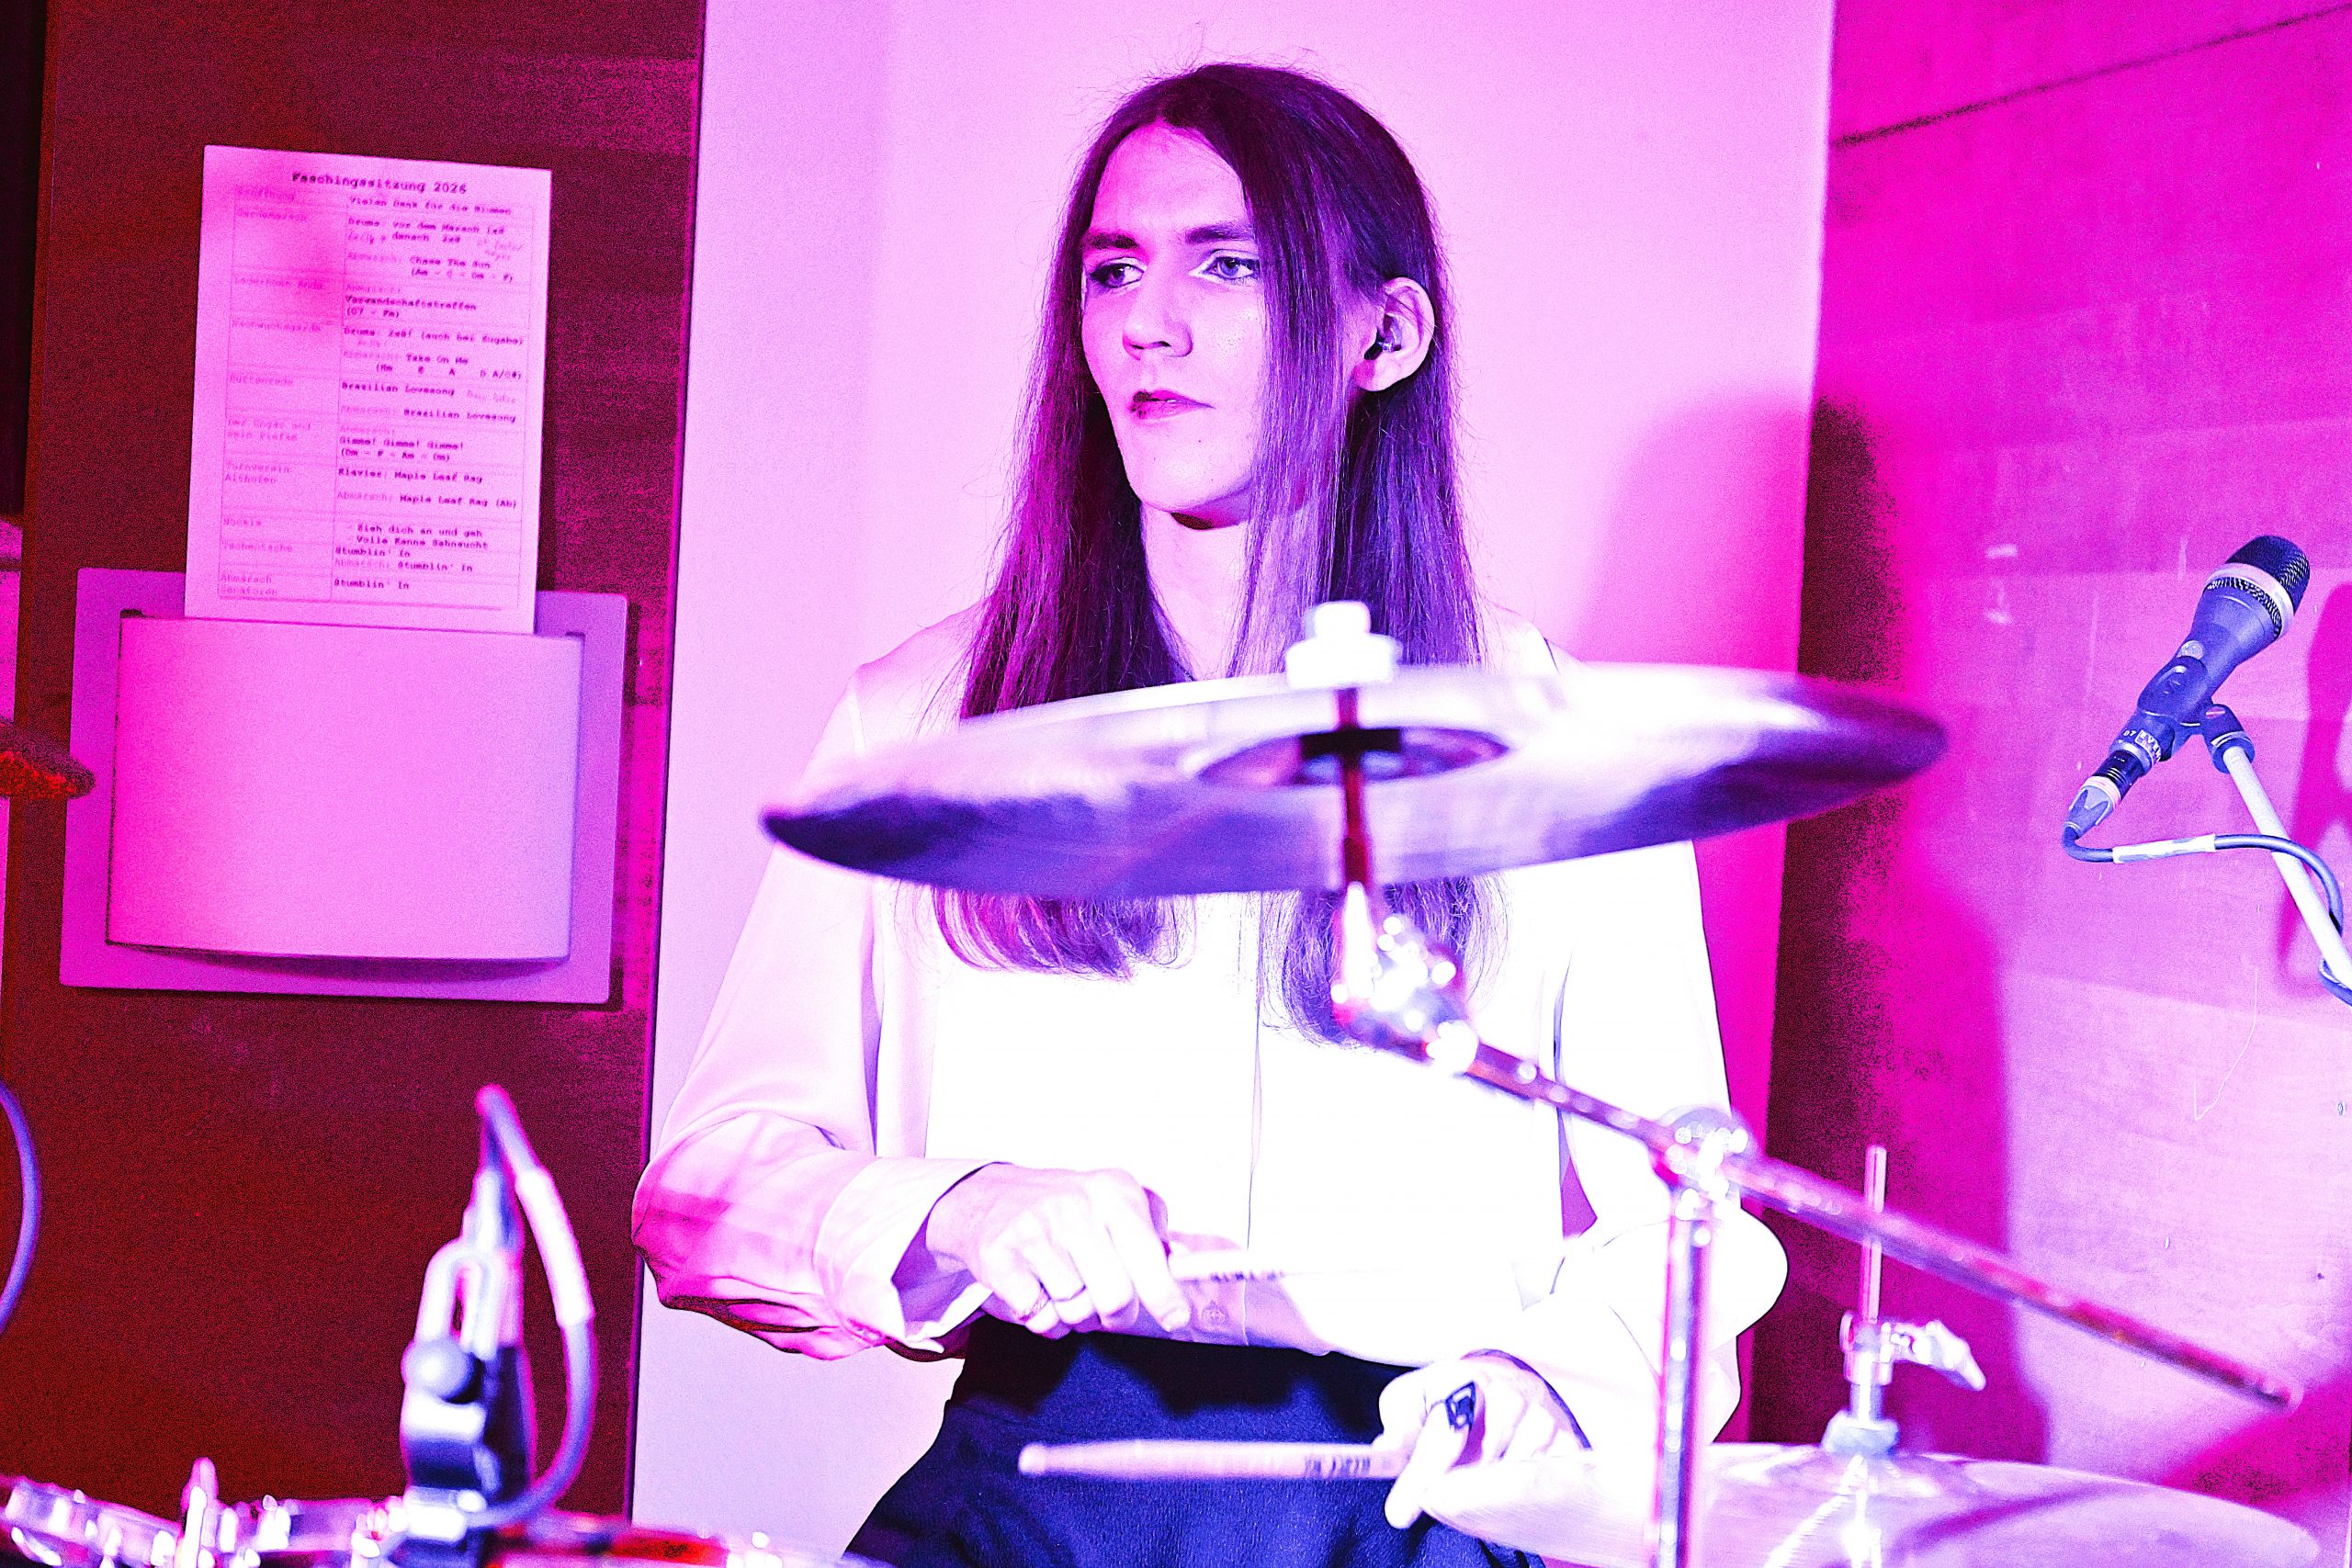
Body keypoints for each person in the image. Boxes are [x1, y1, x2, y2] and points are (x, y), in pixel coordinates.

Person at [635, 62, 1785, 1568]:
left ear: (1386, 335)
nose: (1147, 325)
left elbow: (1689, 1234)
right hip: (1032, 1484)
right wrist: (954, 1206)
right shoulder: (929, 725)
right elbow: (701, 1194)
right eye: (1113, 270)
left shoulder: (1554, 750)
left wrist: (1544, 1388)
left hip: (1407, 1497)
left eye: (1227, 266)